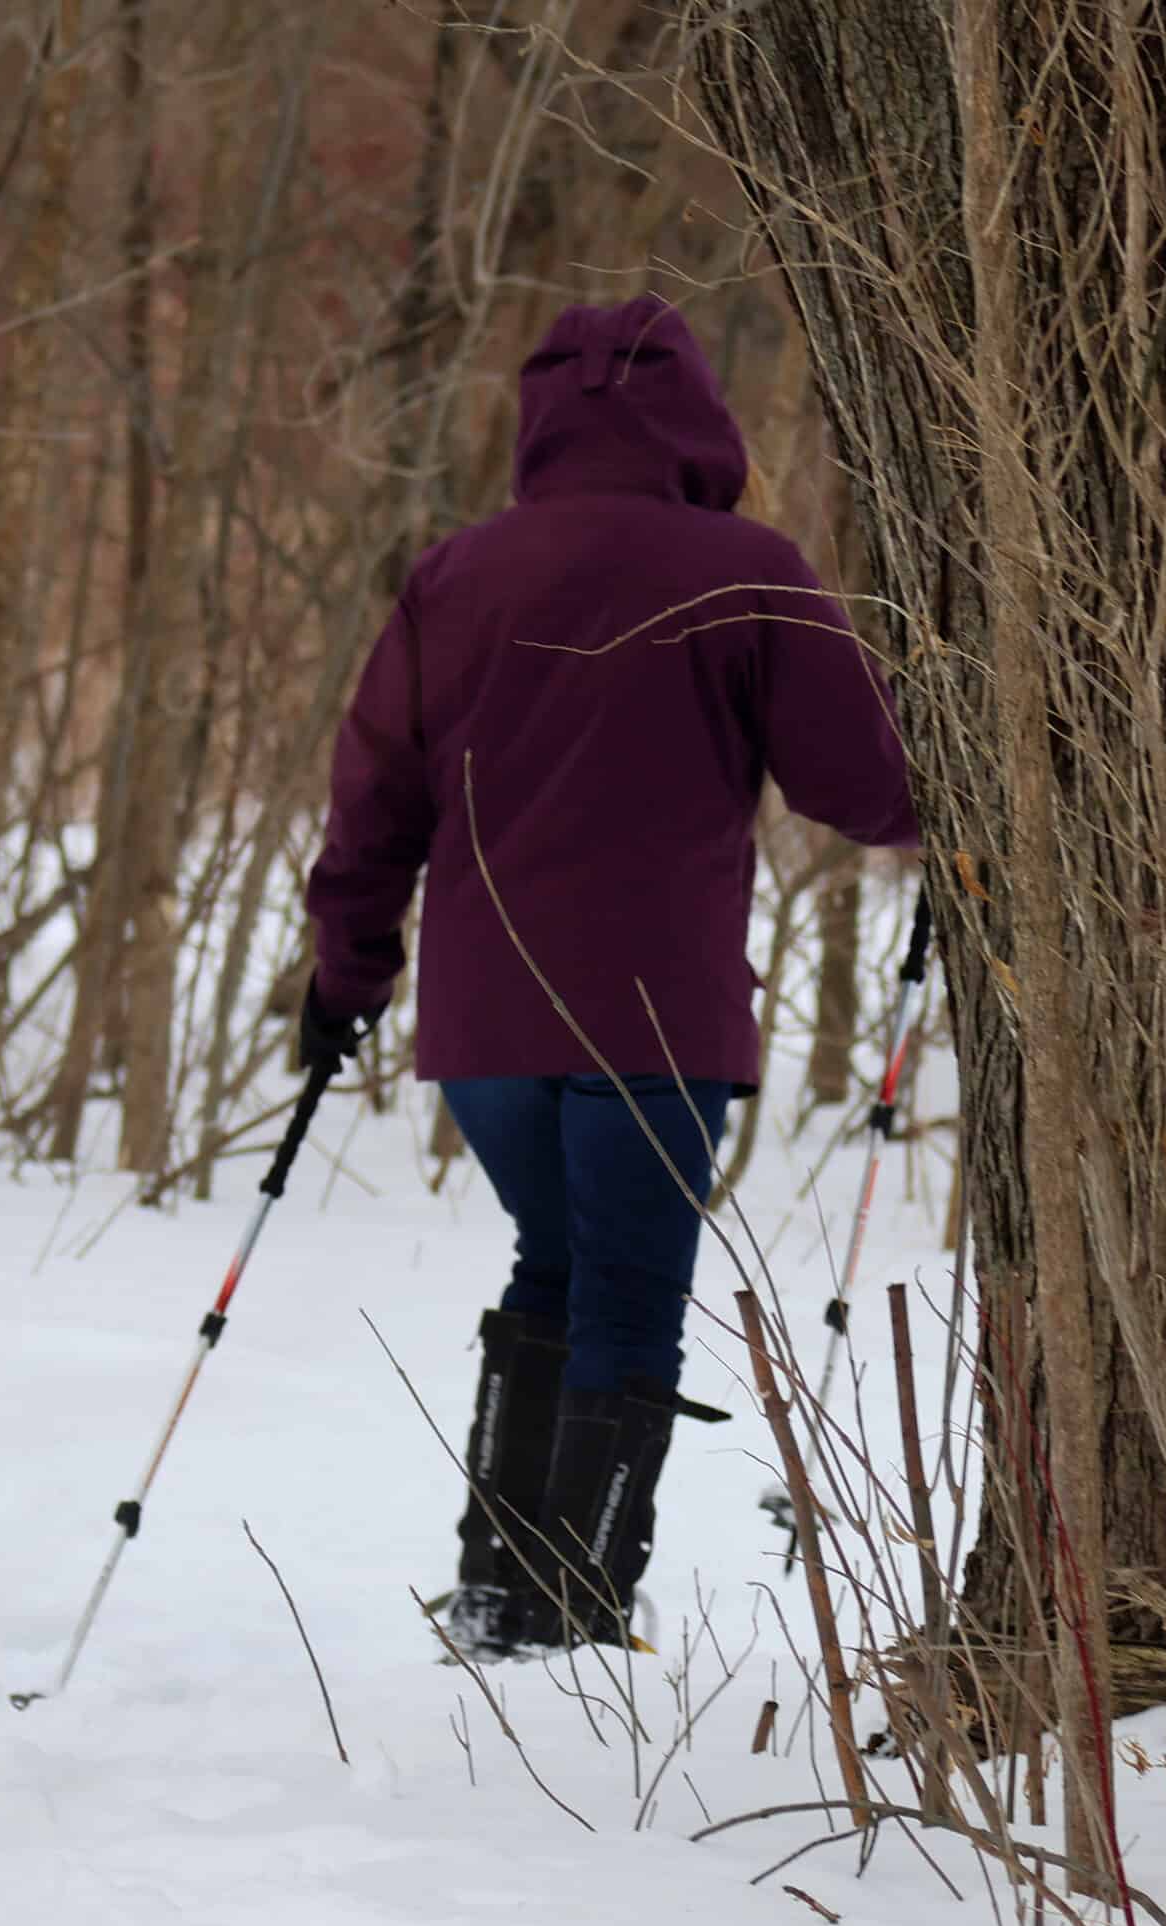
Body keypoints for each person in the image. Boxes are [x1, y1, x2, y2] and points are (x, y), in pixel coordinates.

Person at [303, 296, 920, 1662]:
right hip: (657, 1016)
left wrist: (345, 975)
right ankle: (573, 1607)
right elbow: (866, 789)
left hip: (487, 1026)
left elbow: (372, 803)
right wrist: (960, 798)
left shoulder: (455, 576)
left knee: (556, 1264)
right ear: (698, 415)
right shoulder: (744, 571)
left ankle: (502, 1589)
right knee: (625, 1293)